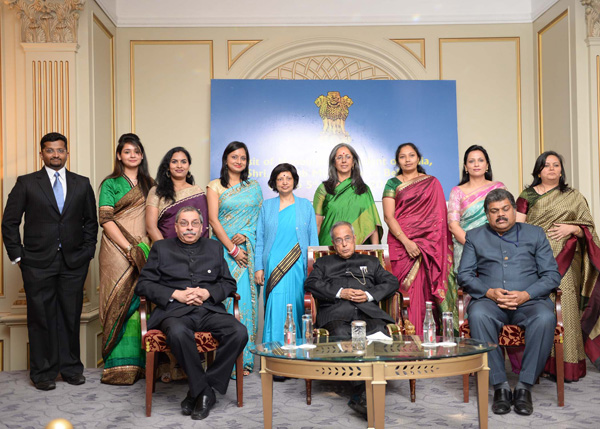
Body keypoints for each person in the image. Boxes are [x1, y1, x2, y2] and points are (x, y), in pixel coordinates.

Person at [1, 132, 98, 390]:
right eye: (50, 150)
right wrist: (19, 256)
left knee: (70, 315)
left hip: (74, 262)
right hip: (36, 262)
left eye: (60, 150)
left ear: (67, 152)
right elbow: (9, 222)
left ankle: (70, 369)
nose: (56, 155)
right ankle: (43, 373)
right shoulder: (27, 183)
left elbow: (91, 222)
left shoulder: (81, 183)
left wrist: (88, 251)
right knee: (40, 317)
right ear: (41, 153)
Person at [135, 206, 247, 421]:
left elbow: (228, 283)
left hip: (208, 309)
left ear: (202, 227)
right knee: (177, 333)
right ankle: (205, 392)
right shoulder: (161, 248)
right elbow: (144, 285)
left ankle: (200, 388)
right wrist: (175, 294)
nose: (189, 228)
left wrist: (207, 292)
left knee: (238, 332)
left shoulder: (214, 247)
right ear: (176, 227)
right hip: (175, 312)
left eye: (194, 223)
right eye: (184, 223)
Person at [458, 189, 561, 416]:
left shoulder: (535, 234)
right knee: (478, 315)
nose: (501, 215)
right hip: (490, 302)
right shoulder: (475, 236)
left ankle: (524, 386)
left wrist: (526, 294)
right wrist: (489, 292)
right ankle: (500, 386)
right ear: (487, 214)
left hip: (530, 302)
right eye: (494, 211)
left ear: (514, 210)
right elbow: (464, 275)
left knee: (545, 317)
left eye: (505, 209)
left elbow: (552, 275)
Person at [516, 151, 600, 381]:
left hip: (566, 257)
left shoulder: (573, 196)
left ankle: (569, 365)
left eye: (556, 165)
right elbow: (518, 229)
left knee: (566, 306)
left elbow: (588, 228)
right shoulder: (527, 196)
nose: (551, 169)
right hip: (535, 259)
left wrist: (572, 229)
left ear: (561, 170)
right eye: (546, 165)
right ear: (538, 170)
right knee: (541, 308)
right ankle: (541, 363)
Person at [305, 220, 398, 417]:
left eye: (347, 238)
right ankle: (363, 391)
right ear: (333, 244)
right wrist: (340, 292)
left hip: (368, 312)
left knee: (379, 335)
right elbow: (311, 284)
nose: (344, 244)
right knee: (342, 335)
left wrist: (369, 295)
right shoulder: (323, 263)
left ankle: (362, 394)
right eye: (339, 241)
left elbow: (392, 281)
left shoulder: (371, 262)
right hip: (337, 315)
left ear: (354, 239)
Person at [98, 133, 154, 385]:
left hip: (145, 249)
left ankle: (144, 365)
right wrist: (129, 248)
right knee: (118, 302)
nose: (132, 155)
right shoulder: (110, 184)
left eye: (136, 151)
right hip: (115, 250)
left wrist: (142, 249)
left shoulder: (150, 184)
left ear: (141, 156)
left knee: (144, 304)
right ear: (120, 155)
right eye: (127, 151)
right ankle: (119, 368)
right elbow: (106, 220)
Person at [382, 142, 454, 335]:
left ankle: (427, 338)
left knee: (425, 293)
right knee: (401, 295)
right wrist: (407, 242)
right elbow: (389, 217)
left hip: (428, 248)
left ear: (418, 158)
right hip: (401, 245)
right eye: (403, 156)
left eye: (411, 155)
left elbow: (438, 219)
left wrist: (424, 244)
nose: (407, 160)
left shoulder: (431, 182)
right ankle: (401, 341)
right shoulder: (393, 183)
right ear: (397, 161)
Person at [207, 141, 263, 375]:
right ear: (226, 159)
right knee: (225, 303)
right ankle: (225, 361)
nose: (239, 161)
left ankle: (244, 360)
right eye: (234, 157)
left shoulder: (254, 187)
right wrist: (232, 249)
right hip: (223, 254)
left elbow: (260, 221)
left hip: (247, 254)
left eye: (243, 158)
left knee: (246, 305)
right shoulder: (215, 187)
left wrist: (247, 238)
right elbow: (213, 220)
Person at [254, 164, 319, 348]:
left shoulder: (305, 205)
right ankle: (274, 354)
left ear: (294, 181)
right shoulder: (267, 206)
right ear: (275, 182)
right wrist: (258, 266)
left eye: (288, 178)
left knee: (297, 306)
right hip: (274, 264)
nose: (284, 182)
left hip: (299, 264)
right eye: (280, 178)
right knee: (276, 308)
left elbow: (313, 238)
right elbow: (260, 239)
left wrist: (314, 269)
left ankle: (295, 357)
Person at [448, 145, 506, 270]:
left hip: (495, 248)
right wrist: (474, 247)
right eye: (471, 161)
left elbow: (507, 219)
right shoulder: (457, 191)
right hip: (466, 249)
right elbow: (453, 225)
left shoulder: (498, 188)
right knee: (468, 287)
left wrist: (491, 247)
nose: (476, 164)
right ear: (465, 167)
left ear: (487, 165)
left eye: (480, 160)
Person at [313, 143, 382, 246]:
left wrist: (377, 252)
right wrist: (314, 252)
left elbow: (372, 224)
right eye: (339, 157)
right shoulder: (324, 189)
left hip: (357, 247)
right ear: (334, 163)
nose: (344, 160)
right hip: (329, 245)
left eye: (348, 157)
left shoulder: (363, 189)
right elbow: (316, 224)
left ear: (353, 162)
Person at [146, 147, 209, 242]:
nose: (179, 166)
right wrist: (165, 251)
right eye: (174, 162)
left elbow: (203, 226)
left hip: (194, 252)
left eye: (183, 162)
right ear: (168, 166)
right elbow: (151, 227)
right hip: (165, 248)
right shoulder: (156, 191)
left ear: (189, 166)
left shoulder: (197, 192)